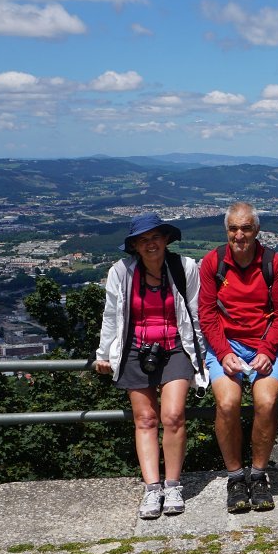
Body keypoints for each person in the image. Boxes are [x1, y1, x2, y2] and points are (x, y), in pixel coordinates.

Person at [94, 213, 209, 520]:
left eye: (155, 237)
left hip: (176, 348)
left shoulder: (185, 268)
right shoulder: (121, 272)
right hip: (135, 349)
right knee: (145, 419)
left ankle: (172, 485)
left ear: (166, 239)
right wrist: (104, 353)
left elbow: (196, 314)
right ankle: (152, 488)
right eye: (143, 240)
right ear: (134, 246)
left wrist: (200, 356)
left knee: (173, 416)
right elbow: (111, 316)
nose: (150, 244)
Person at [198, 202, 278, 514]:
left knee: (266, 404)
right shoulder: (213, 262)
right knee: (227, 404)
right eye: (233, 228)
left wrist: (268, 350)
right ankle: (234, 477)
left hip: (263, 344)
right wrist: (223, 351)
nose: (239, 234)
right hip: (226, 344)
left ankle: (257, 475)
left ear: (257, 231)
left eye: (246, 228)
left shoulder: (274, 263)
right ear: (226, 230)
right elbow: (207, 312)